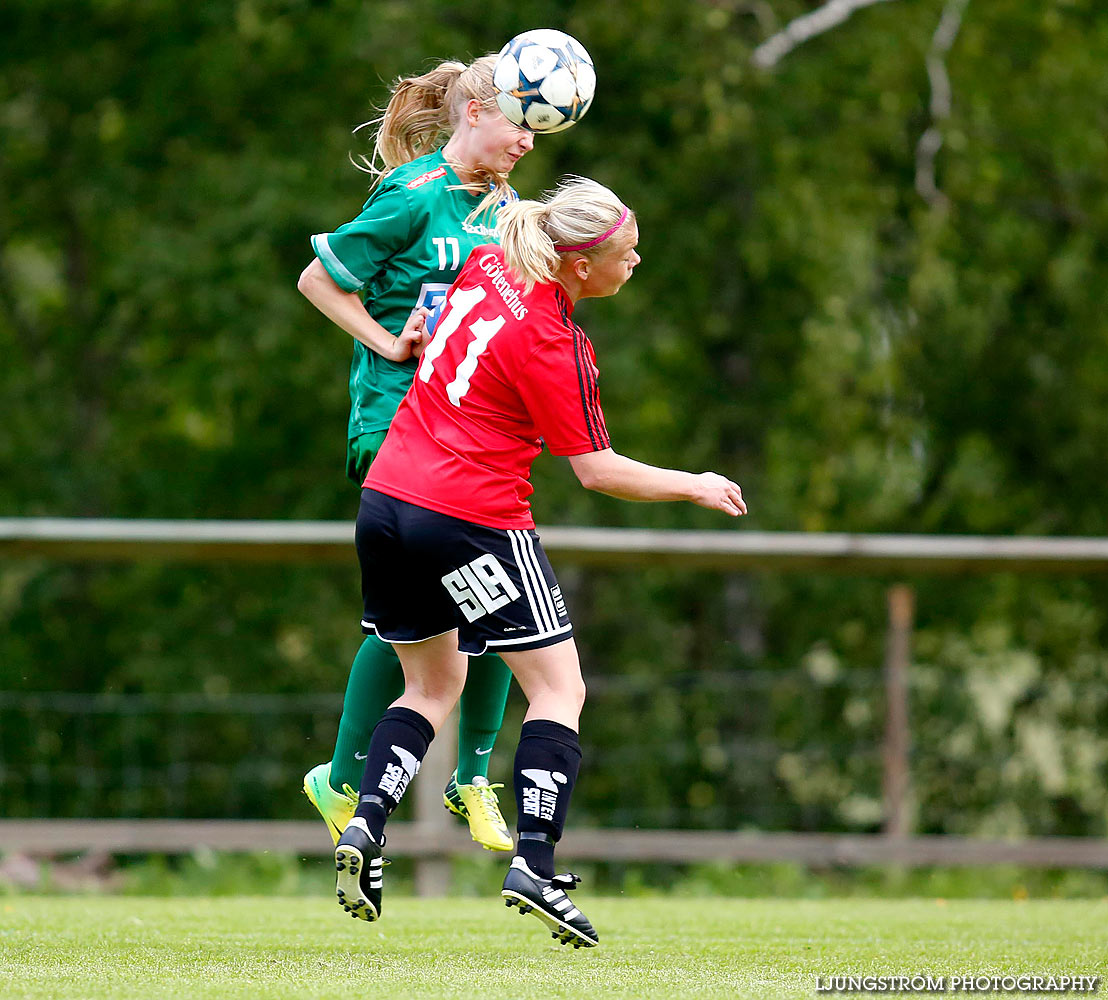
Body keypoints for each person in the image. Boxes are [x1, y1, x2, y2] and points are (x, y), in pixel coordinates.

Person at [332, 177, 747, 949]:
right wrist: (692, 484)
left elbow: (429, 323)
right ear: (581, 266)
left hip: (386, 501)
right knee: (560, 689)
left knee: (431, 684)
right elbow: (595, 470)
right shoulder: (556, 342)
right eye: (626, 253)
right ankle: (534, 864)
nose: (637, 261)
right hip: (469, 518)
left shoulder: (486, 264)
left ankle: (364, 826)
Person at [297, 54, 537, 854]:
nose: (529, 140)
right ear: (474, 113)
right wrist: (388, 346)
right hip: (395, 425)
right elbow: (318, 283)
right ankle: (455, 776)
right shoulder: (411, 197)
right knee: (484, 597)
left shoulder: (502, 208)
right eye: (518, 120)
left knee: (470, 605)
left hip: (464, 429)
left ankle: (365, 780)